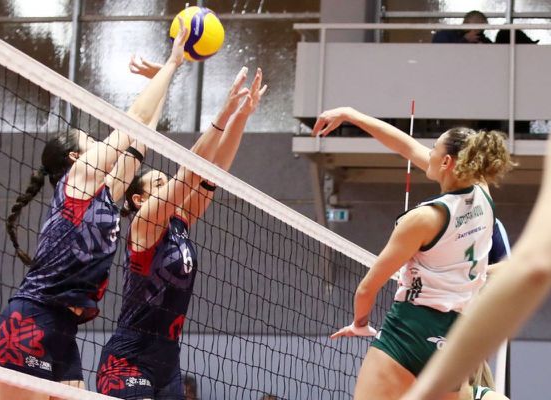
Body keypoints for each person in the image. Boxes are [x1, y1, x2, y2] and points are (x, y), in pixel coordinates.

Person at [0, 20, 188, 400]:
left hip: (65, 334)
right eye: (90, 139)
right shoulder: (77, 179)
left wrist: (161, 80)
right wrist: (172, 64)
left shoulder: (107, 195)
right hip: (29, 322)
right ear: (75, 156)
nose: (100, 142)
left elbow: (142, 134)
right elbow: (132, 120)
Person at [314, 107, 515, 400]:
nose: (427, 152)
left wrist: (360, 324)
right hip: (453, 338)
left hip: (408, 329)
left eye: (434, 148)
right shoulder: (483, 193)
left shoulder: (423, 219)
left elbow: (367, 288)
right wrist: (353, 115)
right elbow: (405, 146)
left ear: (446, 162)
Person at [95, 66, 266, 399]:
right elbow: (190, 172)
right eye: (160, 183)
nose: (169, 186)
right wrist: (223, 112)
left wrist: (242, 116)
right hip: (128, 362)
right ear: (139, 199)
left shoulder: (180, 222)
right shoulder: (144, 225)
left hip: (167, 365)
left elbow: (213, 172)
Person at [399, 139, 551, 400]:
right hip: (425, 323)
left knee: (470, 386)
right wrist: (355, 119)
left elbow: (522, 267)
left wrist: (478, 273)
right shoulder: (435, 219)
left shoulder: (487, 220)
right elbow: (413, 150)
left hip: (467, 321)